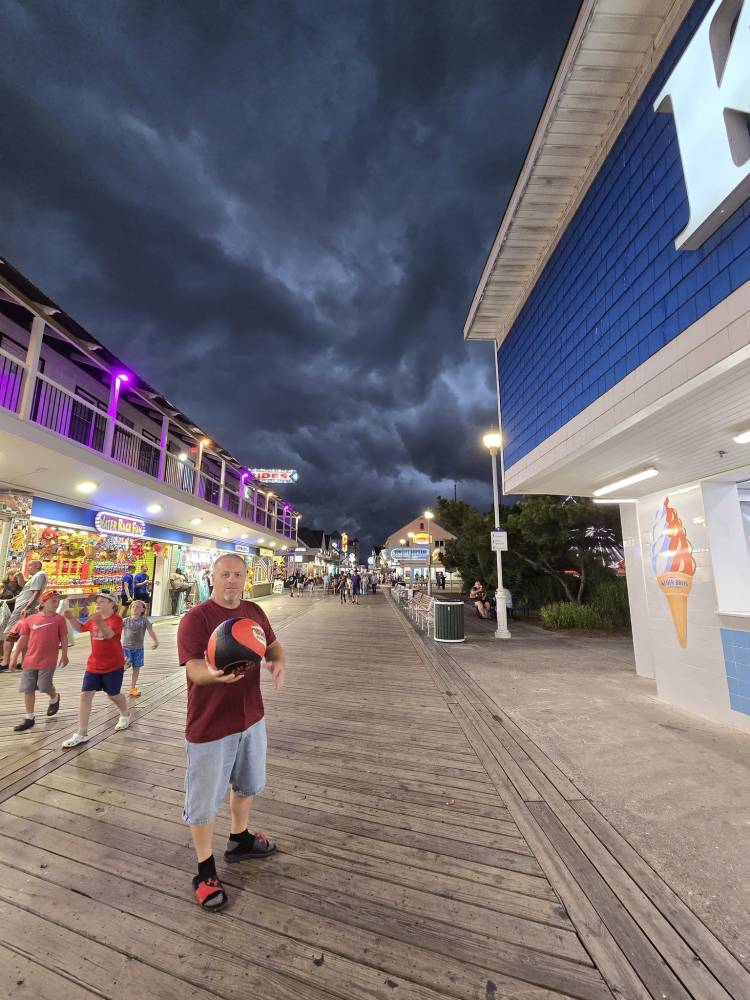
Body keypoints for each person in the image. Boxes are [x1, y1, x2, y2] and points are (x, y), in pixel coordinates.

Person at [177, 553, 285, 911]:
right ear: (212, 576)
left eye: (238, 574)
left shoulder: (254, 611)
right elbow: (193, 669)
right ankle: (204, 870)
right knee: (204, 801)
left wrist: (277, 661)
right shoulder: (197, 618)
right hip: (210, 724)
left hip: (251, 717)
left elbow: (272, 644)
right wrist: (213, 675)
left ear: (246, 577)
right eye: (225, 574)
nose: (232, 581)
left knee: (248, 784)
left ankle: (239, 840)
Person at [62, 593, 130, 747]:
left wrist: (99, 621)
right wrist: (71, 618)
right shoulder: (94, 618)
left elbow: (109, 635)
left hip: (113, 666)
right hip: (93, 664)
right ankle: (82, 732)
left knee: (113, 695)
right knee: (85, 695)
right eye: (96, 602)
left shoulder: (117, 620)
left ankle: (125, 713)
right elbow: (81, 628)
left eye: (102, 601)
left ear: (112, 603)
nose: (98, 604)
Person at [9, 590, 68, 731]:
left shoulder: (59, 619)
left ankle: (54, 697)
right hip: (30, 660)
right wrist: (14, 657)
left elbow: (64, 638)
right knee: (28, 689)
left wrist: (65, 655)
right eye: (53, 601)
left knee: (44, 685)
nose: (57, 603)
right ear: (43, 602)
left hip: (48, 660)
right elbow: (23, 638)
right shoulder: (31, 619)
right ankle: (29, 717)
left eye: (58, 601)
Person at [1, 560, 48, 670]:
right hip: (24, 608)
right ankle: (23, 662)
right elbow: (25, 587)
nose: (28, 567)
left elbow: (36, 592)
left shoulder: (40, 575)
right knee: (24, 635)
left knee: (9, 633)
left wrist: (27, 607)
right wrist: (20, 577)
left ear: (37, 565)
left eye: (29, 565)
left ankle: (5, 662)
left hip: (23, 609)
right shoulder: (36, 576)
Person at [123, 599, 159, 697]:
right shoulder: (126, 621)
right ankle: (113, 686)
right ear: (130, 609)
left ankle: (132, 688)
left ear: (143, 609)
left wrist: (156, 641)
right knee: (124, 667)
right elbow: (116, 630)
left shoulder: (144, 621)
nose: (135, 608)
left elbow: (150, 631)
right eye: (133, 606)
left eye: (138, 606)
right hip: (126, 648)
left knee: (136, 668)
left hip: (138, 649)